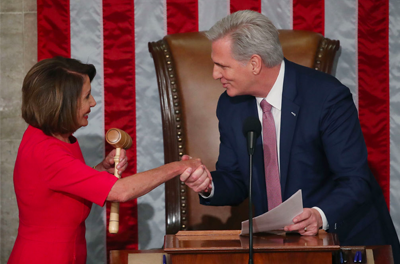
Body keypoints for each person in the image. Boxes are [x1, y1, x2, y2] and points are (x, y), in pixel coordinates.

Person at [180, 10, 400, 263]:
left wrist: (319, 215)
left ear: (254, 63)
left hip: (344, 240)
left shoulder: (327, 97)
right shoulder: (231, 106)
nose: (215, 74)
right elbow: (238, 180)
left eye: (222, 65)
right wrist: (208, 184)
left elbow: (355, 180)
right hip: (275, 246)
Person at [8, 57, 207, 264]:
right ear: (63, 103)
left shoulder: (58, 137)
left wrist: (100, 170)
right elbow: (120, 192)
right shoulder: (45, 151)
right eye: (86, 97)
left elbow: (60, 187)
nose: (93, 102)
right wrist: (179, 166)